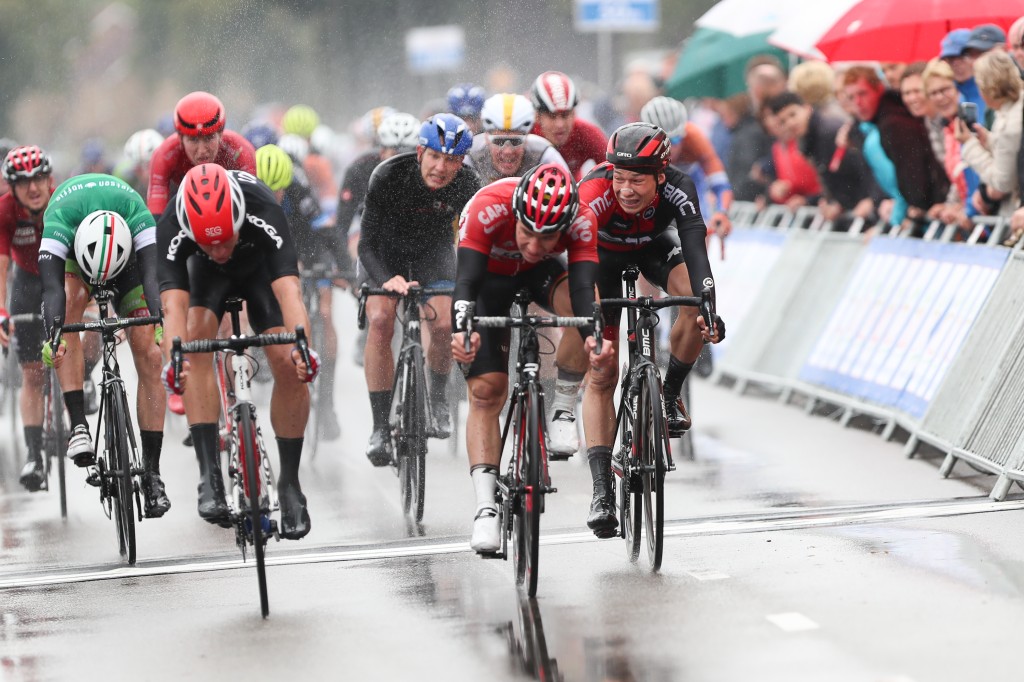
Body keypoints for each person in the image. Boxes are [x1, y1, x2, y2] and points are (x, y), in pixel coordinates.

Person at [450, 163, 612, 553]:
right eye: (528, 232)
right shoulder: (488, 207)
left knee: (583, 310)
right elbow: (466, 283)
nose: (536, 245)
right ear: (516, 214)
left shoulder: (581, 220)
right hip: (488, 279)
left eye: (548, 236)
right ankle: (486, 509)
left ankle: (561, 408)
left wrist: (594, 337)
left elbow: (584, 286)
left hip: (540, 276)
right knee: (488, 392)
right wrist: (462, 331)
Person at [577, 123, 725, 538]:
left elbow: (695, 242)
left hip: (654, 246)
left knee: (695, 305)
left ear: (660, 176)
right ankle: (603, 490)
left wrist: (708, 301)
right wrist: (592, 319)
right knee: (602, 371)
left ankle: (670, 393)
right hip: (600, 255)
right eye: (618, 177)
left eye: (636, 180)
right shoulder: (594, 190)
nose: (624, 189)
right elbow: (579, 253)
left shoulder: (679, 186)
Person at [157, 163, 318, 538]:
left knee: (288, 359)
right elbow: (172, 309)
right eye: (207, 241)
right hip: (204, 278)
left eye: (224, 238)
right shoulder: (172, 224)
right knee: (192, 349)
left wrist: (303, 350)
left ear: (238, 216)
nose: (217, 248)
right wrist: (173, 359)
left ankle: (291, 485)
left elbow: (290, 293)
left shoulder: (262, 205)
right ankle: (209, 474)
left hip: (259, 271)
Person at [38, 173, 169, 517]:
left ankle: (153, 473)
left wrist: (158, 325)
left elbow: (154, 279)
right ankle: (78, 424)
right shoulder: (59, 219)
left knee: (152, 357)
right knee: (67, 314)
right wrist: (54, 336)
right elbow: (51, 292)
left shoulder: (136, 212)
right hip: (75, 261)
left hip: (127, 264)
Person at [358, 114, 480, 466]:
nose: (442, 168)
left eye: (452, 160)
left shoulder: (468, 183)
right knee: (381, 319)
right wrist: (386, 280)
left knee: (443, 323)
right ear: (421, 152)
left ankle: (438, 396)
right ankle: (380, 426)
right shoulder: (388, 175)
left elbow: (474, 240)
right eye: (436, 157)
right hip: (383, 252)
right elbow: (365, 246)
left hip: (434, 251)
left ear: (462, 162)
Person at [256, 143, 344, 439]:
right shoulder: (247, 195)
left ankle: (328, 404)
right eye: (269, 193)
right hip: (269, 249)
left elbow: (326, 232)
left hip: (306, 245)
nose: (276, 198)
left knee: (325, 313)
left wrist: (347, 269)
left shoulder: (298, 188)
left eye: (280, 192)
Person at [0, 146, 54, 490]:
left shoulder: (62, 198)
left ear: (49, 179)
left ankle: (88, 379)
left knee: (89, 335)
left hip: (64, 275)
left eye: (38, 179)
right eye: (23, 183)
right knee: (32, 372)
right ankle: (35, 454)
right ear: (11, 188)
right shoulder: (4, 211)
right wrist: (2, 311)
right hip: (26, 281)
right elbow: (1, 268)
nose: (33, 188)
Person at [843, 65, 949, 234]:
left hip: (932, 215)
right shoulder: (876, 124)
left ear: (878, 89)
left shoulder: (892, 125)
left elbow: (911, 177)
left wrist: (900, 218)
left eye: (862, 94)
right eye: (851, 97)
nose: (858, 103)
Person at [767, 92, 878, 227]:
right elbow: (831, 181)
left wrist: (869, 199)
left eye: (793, 114)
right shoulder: (807, 141)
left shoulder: (828, 133)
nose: (790, 123)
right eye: (783, 121)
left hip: (866, 210)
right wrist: (817, 201)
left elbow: (862, 167)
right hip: (853, 210)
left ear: (807, 108)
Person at [147, 91, 257, 217]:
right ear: (180, 139)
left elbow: (253, 207)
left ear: (221, 135)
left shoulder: (240, 149)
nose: (202, 150)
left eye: (209, 138)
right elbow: (156, 215)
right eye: (193, 140)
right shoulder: (164, 154)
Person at [639, 96, 732, 236]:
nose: (670, 149)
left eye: (675, 140)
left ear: (684, 132)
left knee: (699, 229)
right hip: (653, 185)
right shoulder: (637, 144)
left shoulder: (694, 138)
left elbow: (721, 186)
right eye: (663, 142)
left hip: (691, 181)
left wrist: (722, 213)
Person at [956, 50, 1023, 229]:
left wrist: (969, 146)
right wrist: (988, 141)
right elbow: (1013, 153)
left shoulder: (1011, 124)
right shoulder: (1012, 108)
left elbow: (1003, 181)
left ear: (988, 87)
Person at [923, 59, 981, 231]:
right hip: (967, 216)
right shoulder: (945, 129)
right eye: (933, 93)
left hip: (985, 212)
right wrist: (951, 205)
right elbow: (958, 178)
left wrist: (969, 208)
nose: (940, 97)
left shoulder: (974, 120)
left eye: (945, 89)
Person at [467, 93, 567, 185]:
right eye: (499, 141)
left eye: (516, 141)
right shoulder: (471, 154)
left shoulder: (543, 154)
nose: (508, 151)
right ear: (487, 138)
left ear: (527, 139)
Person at [529, 71, 607, 179]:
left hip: (574, 190)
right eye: (552, 116)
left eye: (565, 115)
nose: (560, 124)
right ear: (537, 116)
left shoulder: (587, 133)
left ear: (575, 113)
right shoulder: (527, 134)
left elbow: (613, 172)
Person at [117, 128, 164, 196]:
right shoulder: (134, 194)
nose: (146, 175)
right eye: (139, 169)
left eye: (150, 166)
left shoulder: (178, 184)